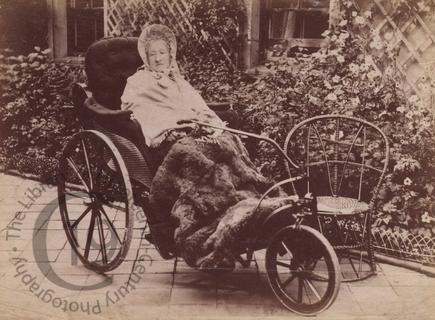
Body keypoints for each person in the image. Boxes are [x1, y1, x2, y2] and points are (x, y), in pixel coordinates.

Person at [121, 24, 225, 148]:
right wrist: (172, 121)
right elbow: (137, 110)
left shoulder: (177, 80)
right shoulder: (137, 80)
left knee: (222, 144)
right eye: (152, 54)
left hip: (192, 130)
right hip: (166, 135)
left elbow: (196, 104)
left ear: (170, 55)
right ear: (146, 58)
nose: (158, 59)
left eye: (162, 52)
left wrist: (201, 119)